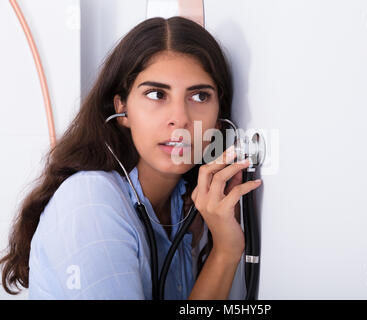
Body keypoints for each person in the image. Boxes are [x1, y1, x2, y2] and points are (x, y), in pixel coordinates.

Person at [0, 16, 262, 299]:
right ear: (122, 109)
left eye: (199, 97)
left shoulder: (184, 211)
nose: (180, 119)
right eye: (156, 94)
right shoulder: (90, 200)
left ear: (219, 120)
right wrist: (224, 252)